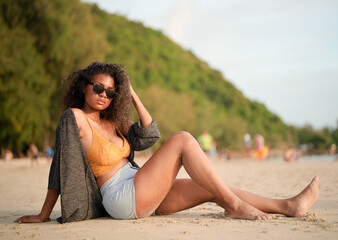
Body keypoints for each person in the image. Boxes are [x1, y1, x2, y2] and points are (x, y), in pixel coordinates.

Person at [15, 62, 319, 224]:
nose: (103, 95)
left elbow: (149, 136)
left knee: (211, 189)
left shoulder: (113, 120)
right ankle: (237, 206)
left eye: (110, 92)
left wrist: (131, 94)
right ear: (84, 86)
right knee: (184, 139)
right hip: (121, 196)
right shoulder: (76, 118)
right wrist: (44, 214)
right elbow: (62, 164)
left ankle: (289, 206)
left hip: (140, 184)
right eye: (98, 88)